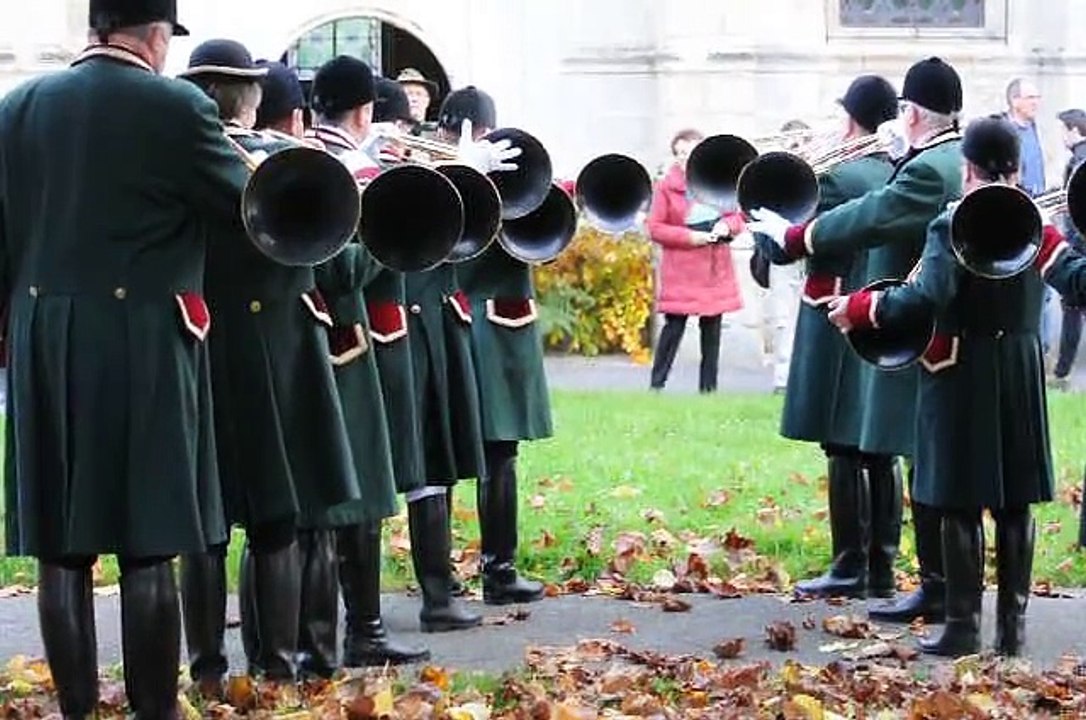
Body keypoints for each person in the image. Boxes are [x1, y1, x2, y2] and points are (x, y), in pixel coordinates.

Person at [0, 0, 249, 715]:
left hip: (44, 340)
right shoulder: (176, 108)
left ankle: (78, 710)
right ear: (155, 35)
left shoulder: (17, 108)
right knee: (148, 542)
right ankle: (153, 711)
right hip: (142, 341)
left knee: (63, 547)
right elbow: (244, 211)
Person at [827, 115, 1055, 657]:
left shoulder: (950, 223)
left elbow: (924, 297)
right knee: (1014, 503)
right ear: (1018, 166)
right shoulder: (1040, 224)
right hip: (1021, 367)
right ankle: (1012, 631)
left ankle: (962, 626)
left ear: (967, 167)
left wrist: (862, 306)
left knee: (957, 500)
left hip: (960, 369)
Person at [749, 56, 965, 625]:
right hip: (900, 313)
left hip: (903, 317)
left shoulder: (926, 166)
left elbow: (876, 213)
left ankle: (922, 585)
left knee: (892, 450)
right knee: (892, 448)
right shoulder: (938, 158)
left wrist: (796, 237)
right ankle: (918, 581)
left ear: (912, 112)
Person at [177, 38, 365, 689]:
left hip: (196, 344)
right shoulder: (297, 160)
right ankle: (277, 670)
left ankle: (205, 673)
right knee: (276, 516)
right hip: (283, 350)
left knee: (202, 523)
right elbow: (346, 267)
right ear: (254, 99)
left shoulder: (177, 167)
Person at [303, 56, 411, 675]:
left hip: (318, 338)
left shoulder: (302, 152)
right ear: (366, 110)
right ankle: (360, 632)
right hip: (347, 338)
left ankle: (321, 636)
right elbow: (348, 267)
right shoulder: (356, 169)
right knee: (361, 488)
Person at [777, 76, 898, 599]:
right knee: (881, 448)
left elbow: (786, 245)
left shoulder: (835, 177)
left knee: (842, 445)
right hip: (889, 314)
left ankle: (849, 564)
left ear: (851, 120)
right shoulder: (897, 170)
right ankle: (883, 566)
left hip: (836, 315)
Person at [455, 86, 550, 605]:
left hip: (482, 322)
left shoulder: (447, 171)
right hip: (486, 326)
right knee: (495, 451)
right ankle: (498, 570)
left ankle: (475, 573)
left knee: (485, 452)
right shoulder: (444, 173)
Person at [647, 128, 744, 393]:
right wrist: (691, 238)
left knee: (711, 330)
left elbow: (737, 215)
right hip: (682, 271)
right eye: (680, 154)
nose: (684, 159)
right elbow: (655, 227)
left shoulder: (718, 182)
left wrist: (727, 227)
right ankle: (657, 384)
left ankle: (708, 389)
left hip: (714, 270)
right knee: (673, 328)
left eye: (690, 153)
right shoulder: (665, 187)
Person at [1049, 108, 1086, 390]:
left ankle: (1062, 370)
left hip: (1079, 245)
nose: (1060, 136)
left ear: (1074, 130)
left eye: (1063, 129)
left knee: (1072, 305)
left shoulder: (1080, 160)